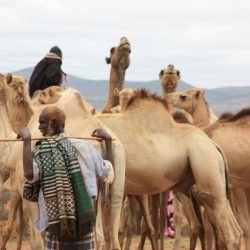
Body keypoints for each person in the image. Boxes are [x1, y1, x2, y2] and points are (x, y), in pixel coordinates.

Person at [18, 106, 113, 250]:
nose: (39, 127)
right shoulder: (86, 148)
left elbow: (29, 174)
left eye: (42, 123)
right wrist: (109, 143)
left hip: (56, 228)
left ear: (54, 123)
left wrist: (26, 141)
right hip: (85, 225)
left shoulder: (43, 151)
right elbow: (107, 170)